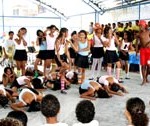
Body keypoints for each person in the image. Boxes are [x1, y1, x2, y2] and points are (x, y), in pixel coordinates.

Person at [136, 20, 150, 85]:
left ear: (145, 25)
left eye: (141, 25)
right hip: (142, 51)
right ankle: (144, 79)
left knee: (149, 65)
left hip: (149, 50)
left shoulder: (149, 31)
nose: (140, 27)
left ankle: (146, 77)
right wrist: (136, 51)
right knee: (143, 65)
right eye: (139, 26)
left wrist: (147, 43)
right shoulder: (138, 34)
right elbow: (136, 43)